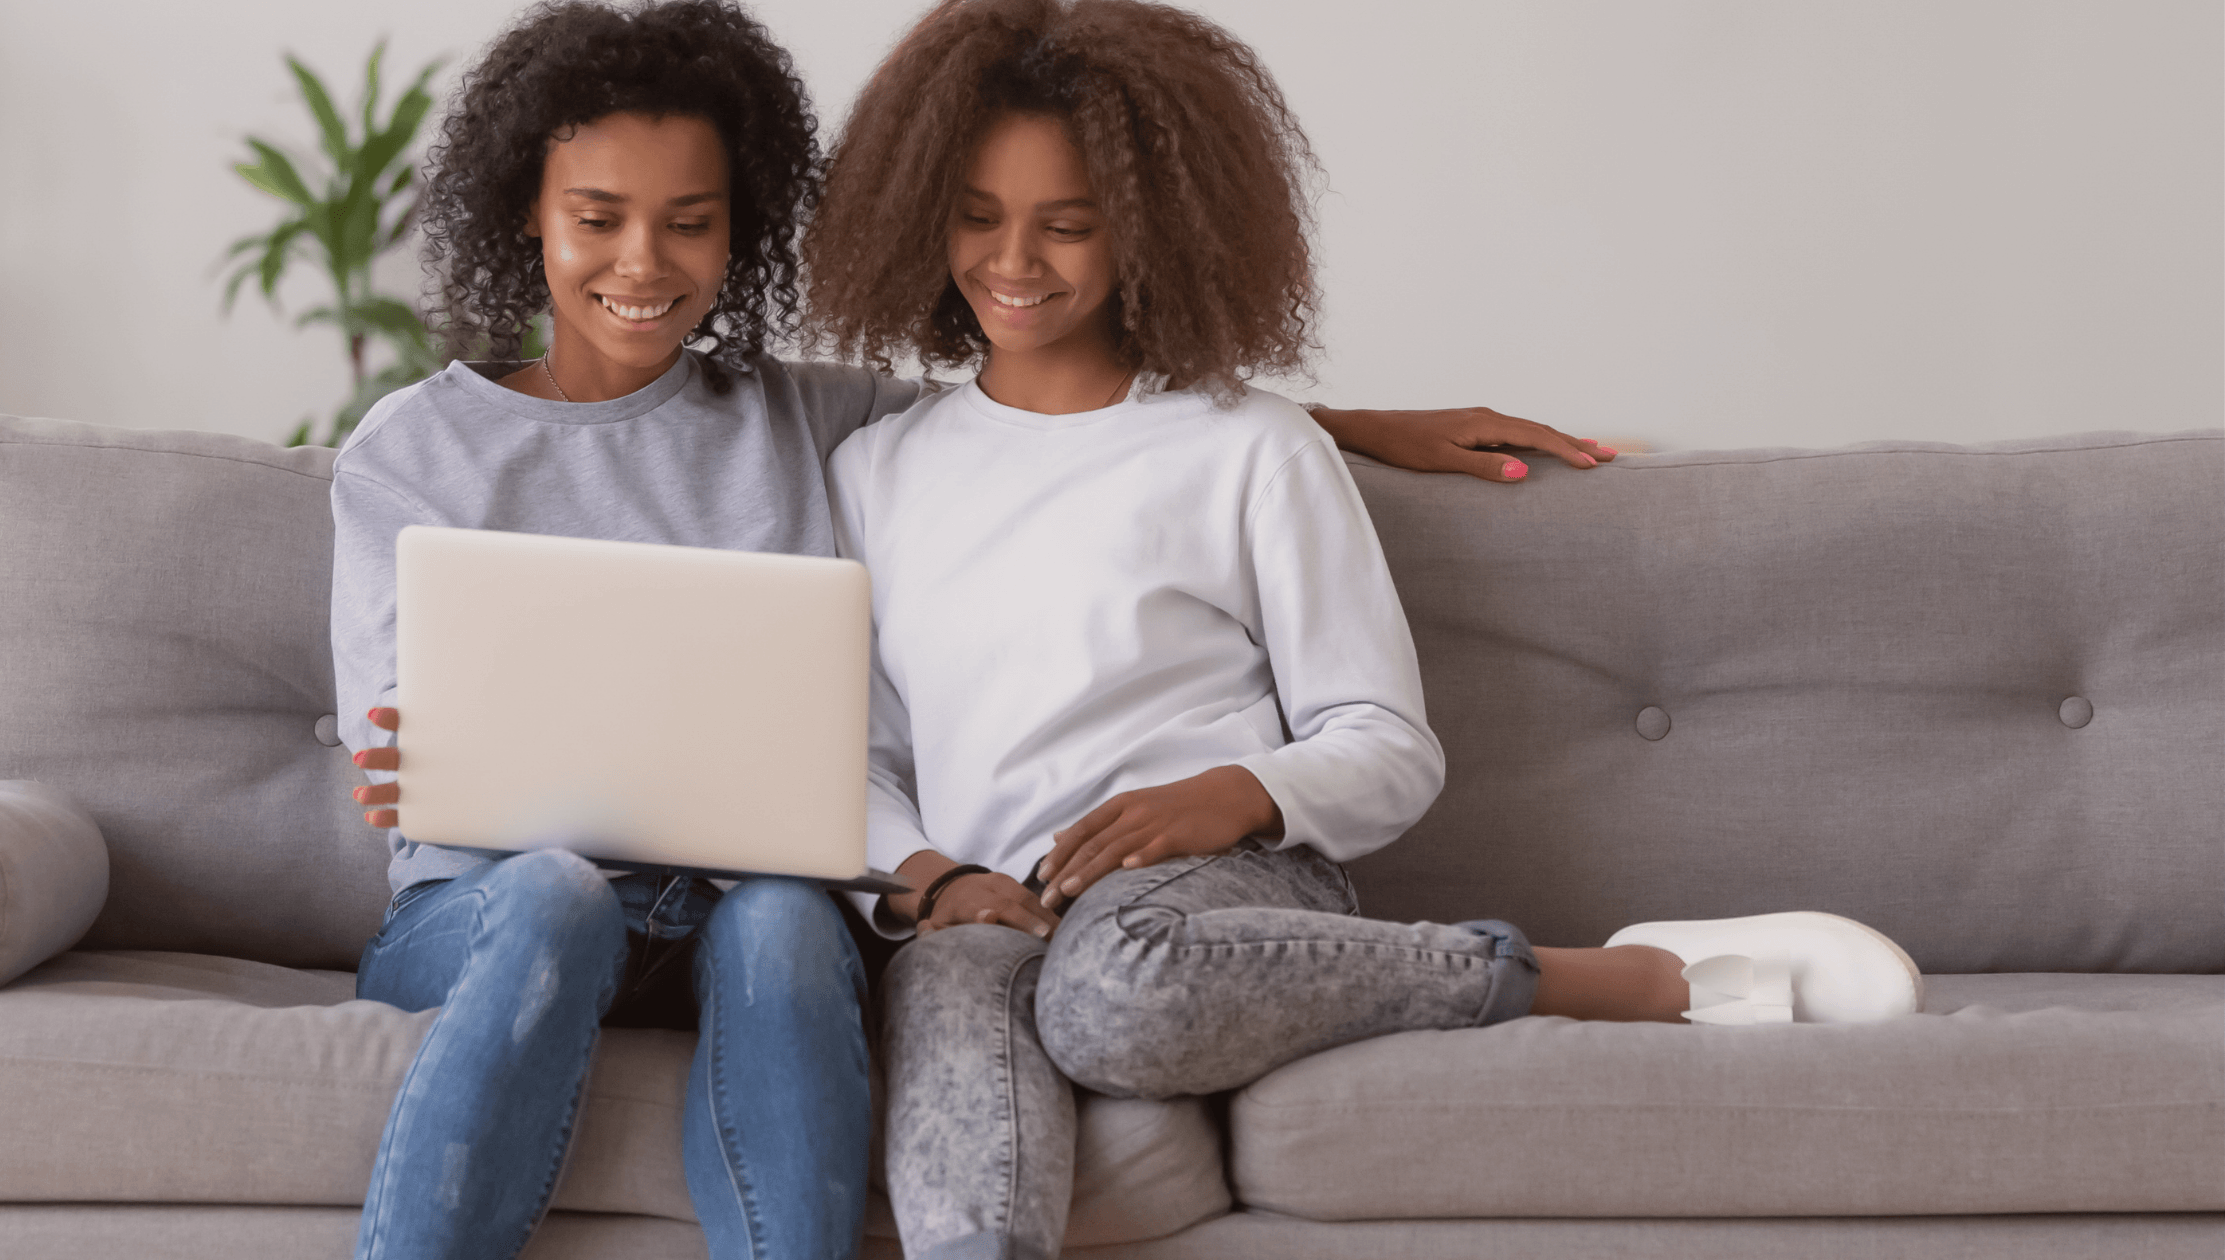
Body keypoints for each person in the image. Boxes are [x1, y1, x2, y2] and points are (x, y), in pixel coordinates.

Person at [331, 4, 1615, 1257]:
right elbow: (416, 738)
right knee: (577, 891)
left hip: (801, 900)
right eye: (596, 218)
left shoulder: (798, 418)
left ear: (741, 231)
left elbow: (1075, 425)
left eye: (690, 223)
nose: (641, 262)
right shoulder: (438, 450)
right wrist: (417, 762)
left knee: (787, 909)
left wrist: (1345, 427)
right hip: (520, 901)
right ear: (526, 211)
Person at [802, 4, 1924, 1258]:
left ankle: (1635, 979)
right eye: (974, 214)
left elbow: (1385, 743)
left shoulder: (1250, 447)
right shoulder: (873, 475)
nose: (1014, 260)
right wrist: (937, 879)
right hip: (992, 902)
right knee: (945, 988)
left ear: (1151, 224)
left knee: (1114, 996)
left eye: (1068, 224)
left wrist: (1231, 793)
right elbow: (860, 759)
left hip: (1220, 891)